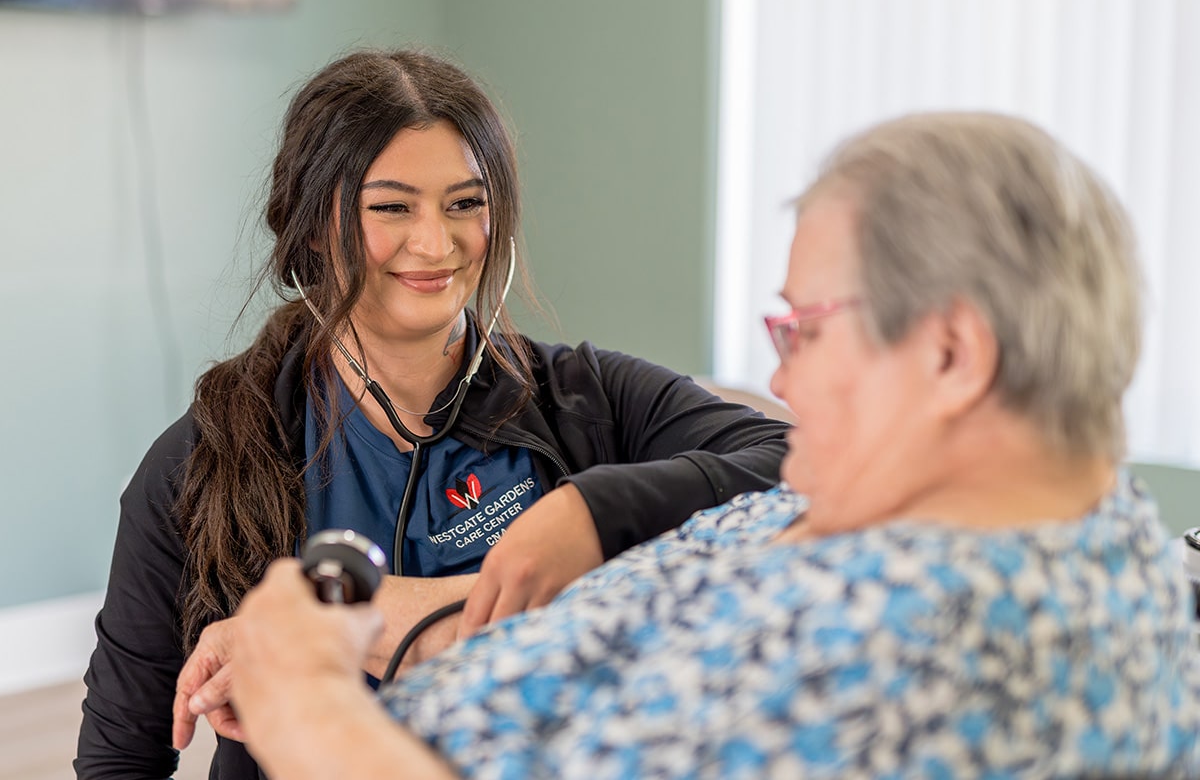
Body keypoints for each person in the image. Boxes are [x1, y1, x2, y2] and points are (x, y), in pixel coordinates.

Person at [202, 111, 1200, 778]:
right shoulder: (984, 519)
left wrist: (304, 688)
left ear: (950, 351)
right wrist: (386, 616)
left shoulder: (924, 637)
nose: (781, 381)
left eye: (803, 330)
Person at [73, 48, 789, 780]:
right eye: (391, 207)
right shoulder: (201, 461)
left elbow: (800, 466)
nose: (435, 243)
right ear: (313, 223)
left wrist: (588, 516)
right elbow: (119, 758)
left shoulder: (586, 398)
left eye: (465, 204)